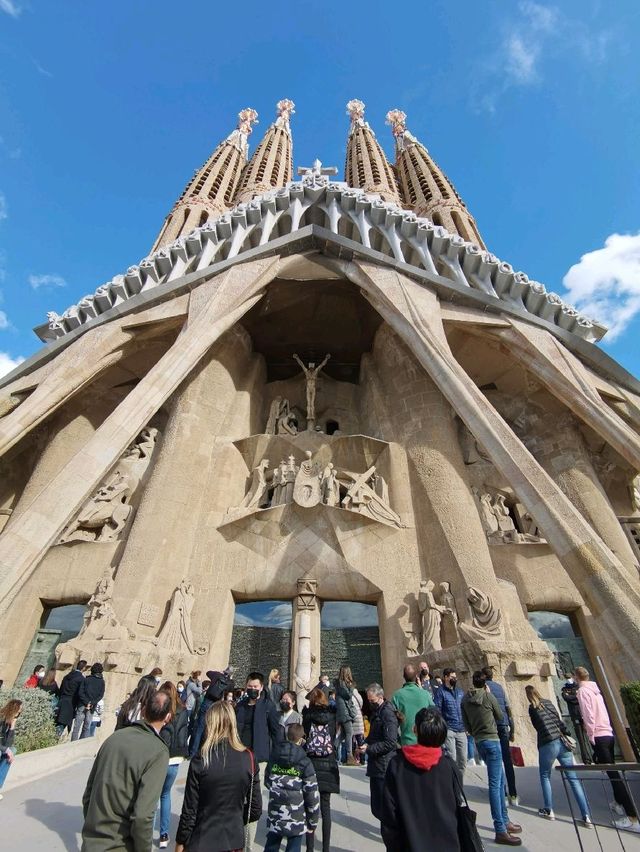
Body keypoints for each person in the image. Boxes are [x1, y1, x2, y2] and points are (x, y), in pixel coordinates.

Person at [81, 690, 172, 851]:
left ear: (143, 710)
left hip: (91, 842)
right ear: (168, 717)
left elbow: (88, 794)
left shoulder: (114, 738)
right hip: (120, 844)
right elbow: (143, 815)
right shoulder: (158, 751)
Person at [176, 701, 261, 852]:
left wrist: (181, 840)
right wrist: (234, 818)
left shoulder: (201, 759)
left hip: (202, 838)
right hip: (233, 840)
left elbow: (190, 810)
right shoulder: (249, 757)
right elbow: (255, 809)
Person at [381, 707, 461, 851]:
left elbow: (389, 815)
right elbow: (457, 806)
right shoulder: (450, 767)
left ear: (415, 729)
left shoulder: (397, 765)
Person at [462, 671, 522, 846]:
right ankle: (500, 829)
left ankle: (505, 820)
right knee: (495, 785)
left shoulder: (465, 700)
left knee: (500, 778)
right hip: (493, 740)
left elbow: (466, 724)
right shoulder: (488, 697)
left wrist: (474, 732)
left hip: (480, 741)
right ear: (486, 683)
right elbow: (500, 716)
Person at [575, 666, 639, 831]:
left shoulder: (583, 692)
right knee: (613, 772)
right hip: (608, 733)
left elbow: (588, 715)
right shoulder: (596, 691)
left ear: (576, 678)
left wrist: (590, 735)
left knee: (614, 775)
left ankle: (632, 818)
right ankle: (618, 803)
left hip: (598, 735)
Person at [525, 685, 592, 826]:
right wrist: (566, 733)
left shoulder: (533, 708)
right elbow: (559, 721)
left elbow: (537, 727)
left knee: (544, 775)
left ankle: (549, 810)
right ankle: (586, 816)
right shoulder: (549, 703)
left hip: (547, 743)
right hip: (562, 741)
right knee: (573, 779)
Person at [235, 671, 282, 850]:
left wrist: (278, 758)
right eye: (250, 686)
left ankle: (248, 846)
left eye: (255, 687)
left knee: (253, 804)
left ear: (262, 687)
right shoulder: (239, 706)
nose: (252, 689)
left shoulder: (268, 706)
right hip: (239, 758)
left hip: (259, 760)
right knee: (238, 800)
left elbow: (277, 733)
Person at [265, 722, 320, 851]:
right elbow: (312, 795)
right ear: (301, 740)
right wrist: (313, 822)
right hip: (296, 817)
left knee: (271, 847)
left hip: (275, 814)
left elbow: (267, 781)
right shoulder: (305, 762)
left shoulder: (274, 756)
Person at [302, 687, 340, 852]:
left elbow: (304, 737)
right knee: (326, 808)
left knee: (310, 808)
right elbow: (333, 738)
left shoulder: (308, 716)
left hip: (311, 764)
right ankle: (326, 848)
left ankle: (309, 848)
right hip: (328, 763)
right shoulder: (332, 716)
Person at [156, 682, 189, 848]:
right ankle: (163, 834)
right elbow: (185, 731)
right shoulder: (183, 710)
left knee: (152, 796)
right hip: (175, 758)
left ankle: (142, 831)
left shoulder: (160, 708)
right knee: (165, 795)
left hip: (160, 757)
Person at [360, 683, 398, 822]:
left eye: (372, 701)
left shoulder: (387, 713)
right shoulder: (378, 712)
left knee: (383, 805)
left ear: (381, 697)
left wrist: (369, 749)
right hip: (376, 764)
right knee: (377, 806)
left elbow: (390, 742)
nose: (370, 703)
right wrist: (366, 742)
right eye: (369, 701)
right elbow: (374, 735)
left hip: (383, 765)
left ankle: (391, 831)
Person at [483, 666, 518, 805]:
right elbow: (508, 709)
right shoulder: (500, 688)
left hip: (492, 728)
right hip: (504, 726)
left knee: (495, 761)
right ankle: (514, 795)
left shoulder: (486, 689)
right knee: (507, 760)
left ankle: (502, 794)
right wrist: (512, 730)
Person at [190, 668, 235, 757]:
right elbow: (231, 689)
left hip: (207, 702)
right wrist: (230, 678)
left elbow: (208, 672)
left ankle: (193, 752)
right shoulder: (230, 682)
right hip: (216, 704)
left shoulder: (217, 675)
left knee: (199, 728)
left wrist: (219, 672)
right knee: (210, 728)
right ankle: (205, 750)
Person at [434, 667, 467, 775]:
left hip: (461, 729)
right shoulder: (441, 692)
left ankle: (459, 782)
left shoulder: (460, 692)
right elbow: (437, 710)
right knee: (451, 758)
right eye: (452, 677)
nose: (454, 679)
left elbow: (464, 708)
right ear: (446, 677)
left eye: (455, 677)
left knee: (463, 759)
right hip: (449, 730)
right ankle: (451, 781)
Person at [392, 663, 434, 746]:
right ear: (416, 676)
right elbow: (435, 714)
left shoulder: (397, 695)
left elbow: (392, 721)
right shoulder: (425, 694)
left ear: (404, 677)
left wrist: (398, 740)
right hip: (425, 741)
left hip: (406, 742)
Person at [561, 674, 592, 764]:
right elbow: (567, 698)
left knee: (590, 735)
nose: (569, 679)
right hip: (575, 716)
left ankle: (596, 755)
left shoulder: (579, 687)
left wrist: (574, 697)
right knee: (581, 739)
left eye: (569, 677)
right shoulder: (565, 690)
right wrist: (577, 696)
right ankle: (586, 759)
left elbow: (575, 698)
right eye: (567, 678)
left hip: (584, 714)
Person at [73, 662, 105, 740]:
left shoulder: (86, 679)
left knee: (76, 727)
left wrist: (86, 702)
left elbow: (81, 692)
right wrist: (92, 703)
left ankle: (73, 744)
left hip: (82, 705)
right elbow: (100, 695)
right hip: (92, 706)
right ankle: (81, 744)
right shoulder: (101, 682)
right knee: (86, 727)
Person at [56, 660, 87, 737]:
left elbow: (61, 689)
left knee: (56, 723)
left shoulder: (67, 676)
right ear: (83, 668)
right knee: (61, 725)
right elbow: (79, 694)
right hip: (70, 704)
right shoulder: (81, 679)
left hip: (61, 701)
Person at [334, 665, 358, 766]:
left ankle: (333, 749)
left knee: (343, 734)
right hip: (345, 713)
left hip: (343, 712)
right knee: (349, 733)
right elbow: (348, 695)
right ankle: (349, 756)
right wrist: (352, 687)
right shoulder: (342, 684)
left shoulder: (340, 685)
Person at [0, 699, 21, 800]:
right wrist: (6, 750)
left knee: (13, 750)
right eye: (18, 713)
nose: (18, 716)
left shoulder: (9, 722)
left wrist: (12, 727)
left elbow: (8, 744)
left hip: (1, 748)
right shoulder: (1, 719)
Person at [351, 688, 365, 762]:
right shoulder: (358, 695)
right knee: (361, 742)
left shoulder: (349, 695)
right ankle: (362, 759)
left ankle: (353, 759)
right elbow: (361, 704)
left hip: (352, 720)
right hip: (359, 720)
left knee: (352, 742)